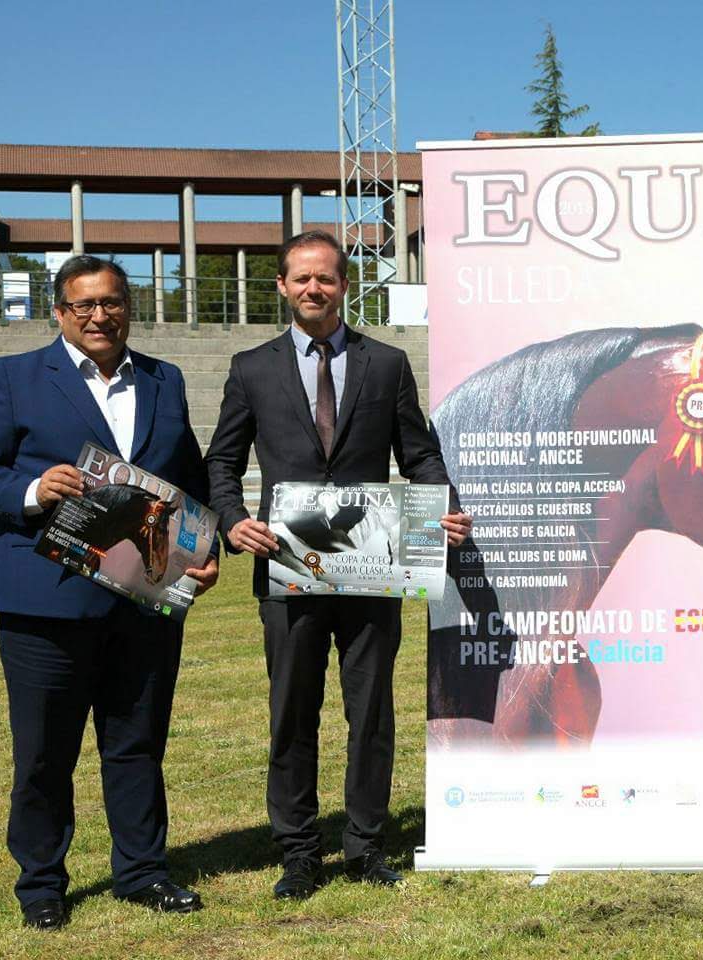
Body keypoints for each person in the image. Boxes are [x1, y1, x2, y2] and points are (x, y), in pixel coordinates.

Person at [0, 255, 218, 930]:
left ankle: (144, 872)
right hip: (46, 597)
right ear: (60, 312)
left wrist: (201, 550)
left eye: (112, 302)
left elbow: (186, 477)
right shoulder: (10, 377)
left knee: (137, 744)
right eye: (83, 305)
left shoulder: (165, 379)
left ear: (129, 306)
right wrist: (35, 491)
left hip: (141, 596)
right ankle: (41, 883)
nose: (100, 315)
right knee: (45, 750)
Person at [206, 231, 470, 899]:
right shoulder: (251, 367)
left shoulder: (386, 363)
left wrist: (444, 507)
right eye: (301, 279)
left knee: (370, 711)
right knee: (292, 712)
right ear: (282, 287)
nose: (313, 289)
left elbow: (421, 454)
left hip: (371, 567)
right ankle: (298, 852)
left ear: (344, 286)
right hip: (286, 569)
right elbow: (221, 462)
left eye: (325, 278)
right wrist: (234, 519)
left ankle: (365, 846)